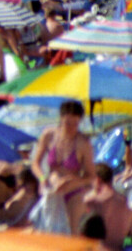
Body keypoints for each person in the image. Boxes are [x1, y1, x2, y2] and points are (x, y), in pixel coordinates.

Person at [31, 100, 96, 234]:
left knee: (73, 236)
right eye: (68, 123)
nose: (71, 128)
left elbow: (91, 176)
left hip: (74, 191)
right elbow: (35, 163)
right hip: (53, 189)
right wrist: (42, 179)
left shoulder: (83, 143)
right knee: (48, 234)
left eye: (75, 124)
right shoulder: (49, 135)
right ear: (61, 119)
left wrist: (74, 181)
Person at [82, 163, 132, 249]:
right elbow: (131, 231)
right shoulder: (127, 203)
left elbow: (79, 229)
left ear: (97, 180)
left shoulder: (92, 201)